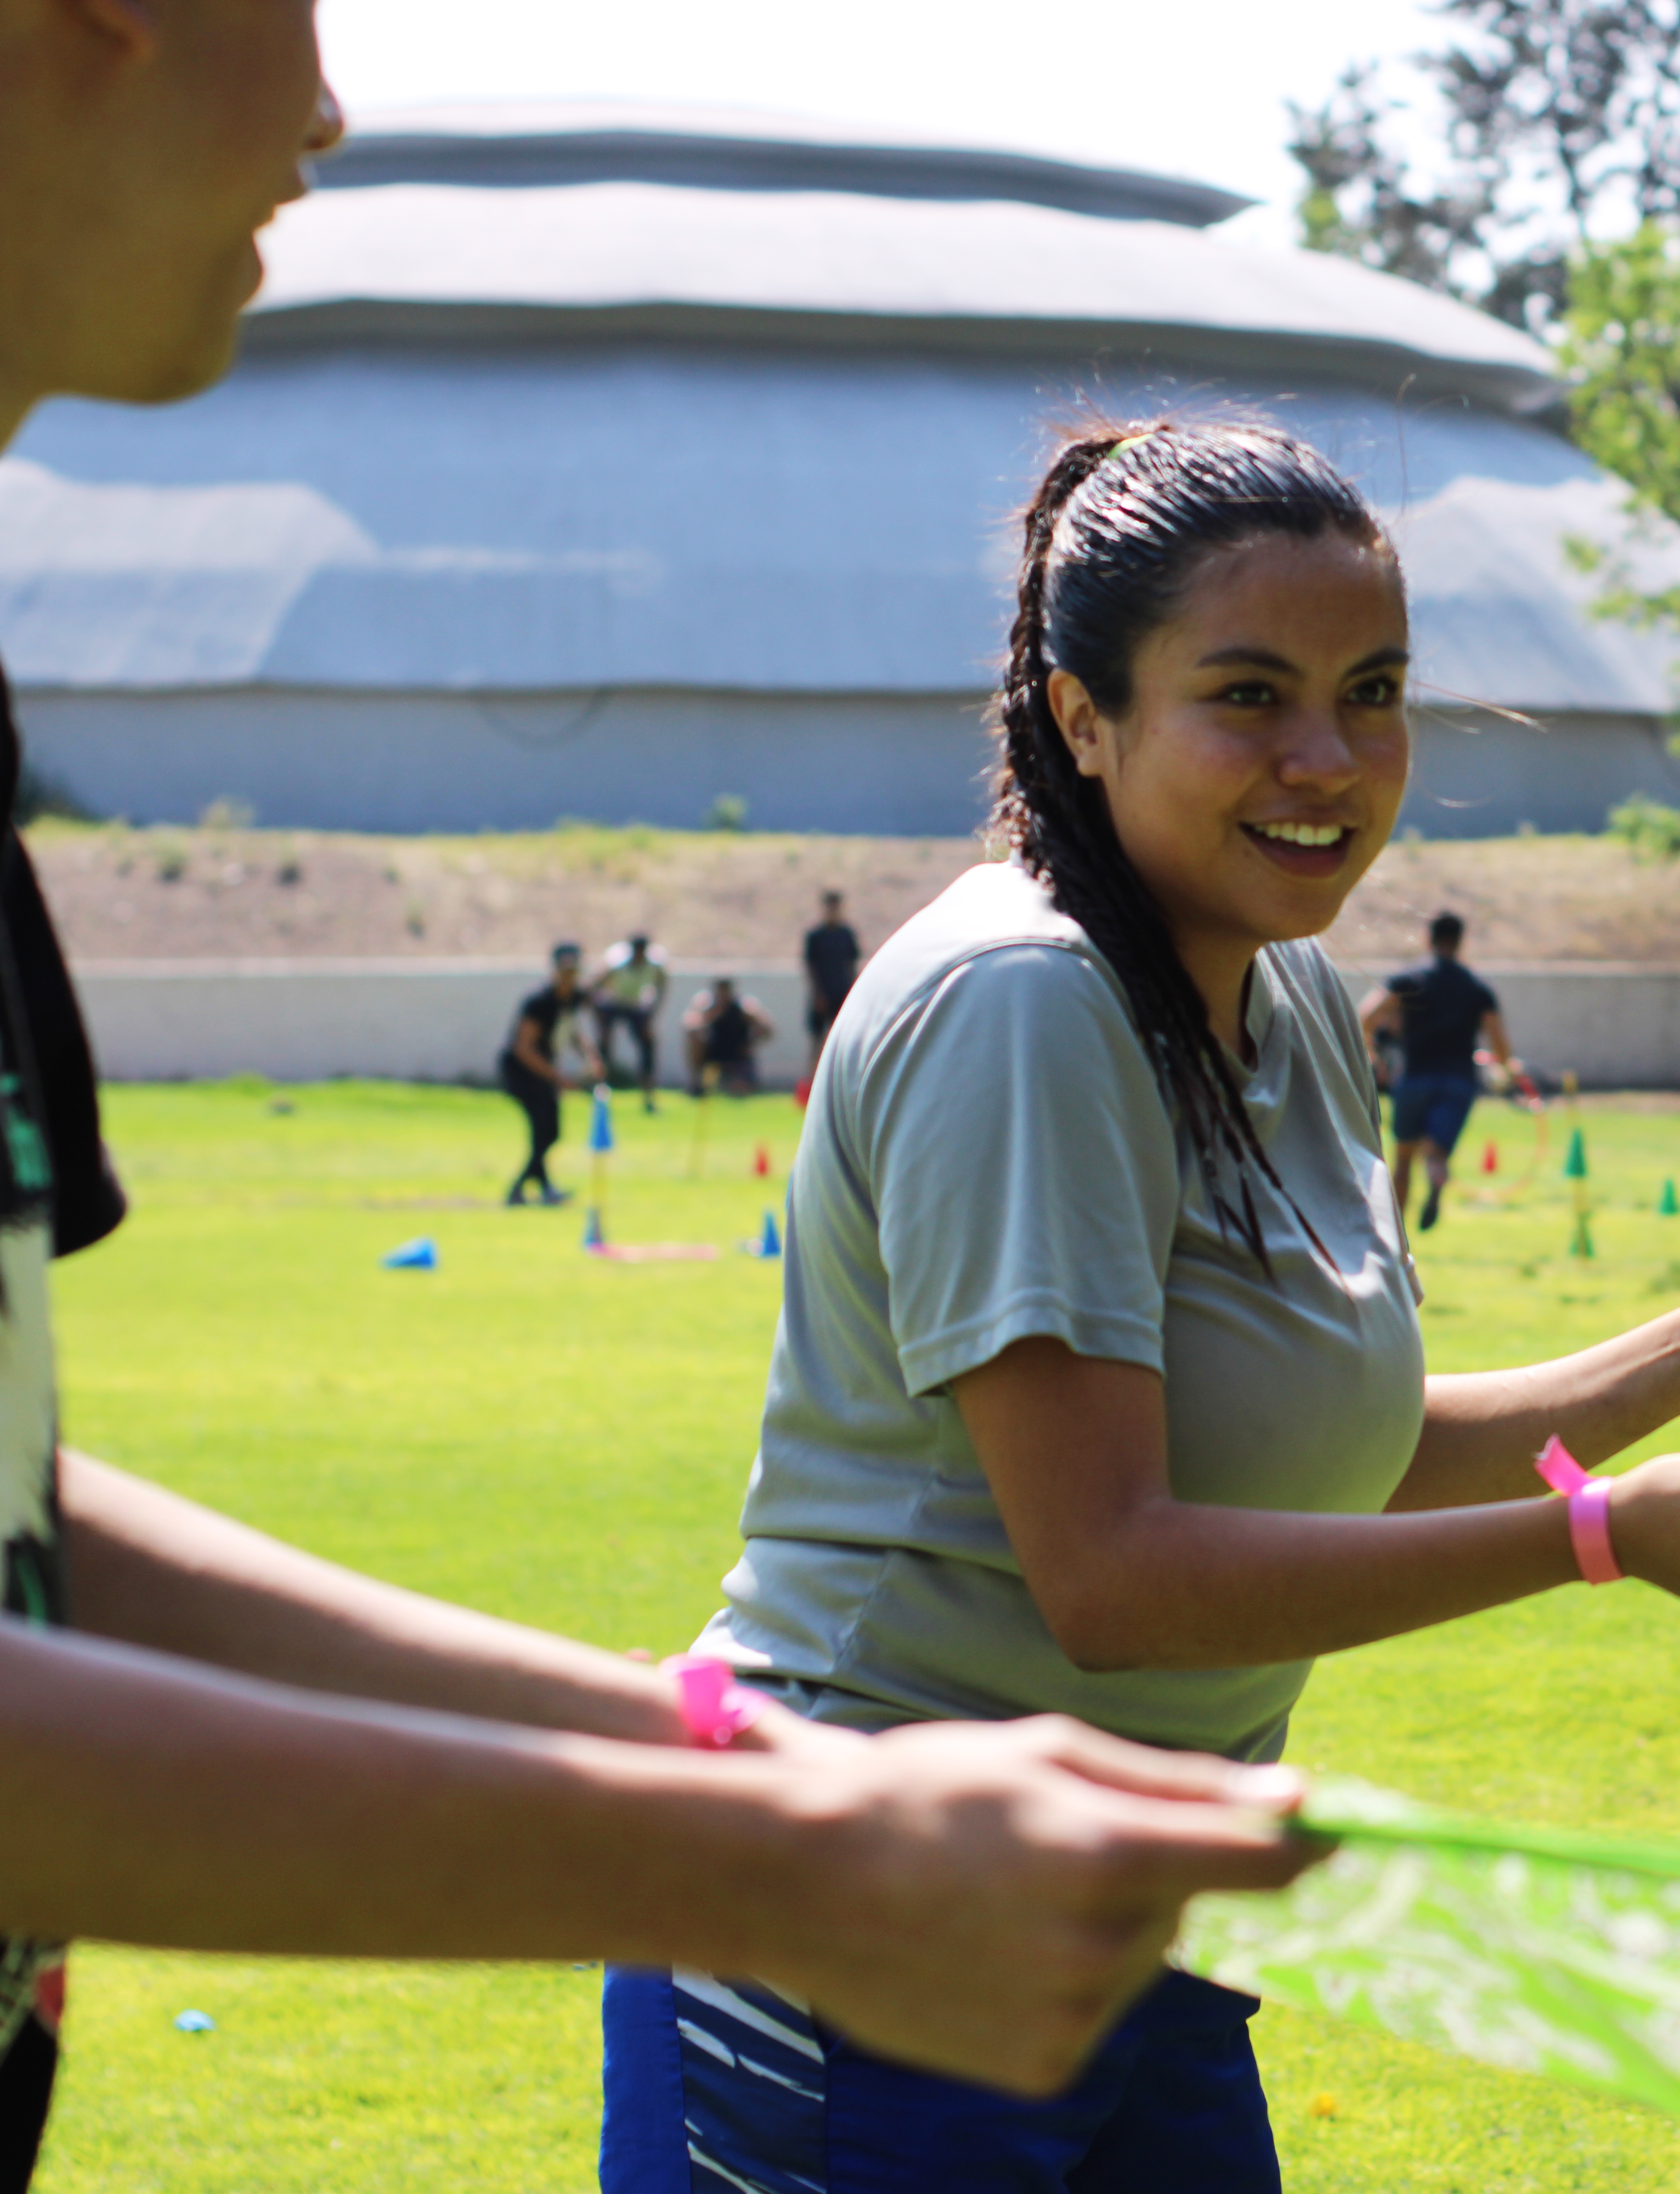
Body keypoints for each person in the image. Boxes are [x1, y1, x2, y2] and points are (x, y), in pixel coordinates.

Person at [0, 9, 1326, 2185]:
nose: (332, 106)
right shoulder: (1018, 995)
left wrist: (742, 1760)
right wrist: (767, 1849)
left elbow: (17, 1534)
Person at [604, 418, 1680, 2190]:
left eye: (1372, 690)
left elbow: (1327, 1457)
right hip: (872, 1918)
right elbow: (1117, 1576)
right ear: (1085, 718)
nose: (1330, 758)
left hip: (1136, 1907)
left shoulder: (1288, 997)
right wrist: (1597, 1541)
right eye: (1249, 694)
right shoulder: (1023, 1005)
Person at [1359, 908, 1513, 1232]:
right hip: (1458, 1081)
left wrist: (1372, 1055)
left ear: (1430, 940)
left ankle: (1396, 1234)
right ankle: (1437, 1177)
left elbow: (1367, 1017)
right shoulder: (1476, 987)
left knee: (1402, 1160)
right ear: (1460, 942)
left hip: (1414, 1078)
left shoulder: (1410, 980)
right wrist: (1505, 1069)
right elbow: (1499, 1041)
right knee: (1436, 1153)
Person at [499, 942, 587, 1206]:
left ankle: (542, 1189)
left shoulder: (573, 998)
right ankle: (519, 1189)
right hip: (522, 1072)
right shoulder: (539, 1001)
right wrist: (557, 1077)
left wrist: (590, 1057)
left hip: (543, 1072)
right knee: (546, 1130)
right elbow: (523, 1048)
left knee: (547, 1132)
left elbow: (572, 1030)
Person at [589, 931, 670, 1112]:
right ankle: (601, 1088)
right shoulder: (617, 963)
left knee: (648, 1044)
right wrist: (600, 1020)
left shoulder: (655, 964)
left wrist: (652, 1014)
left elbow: (662, 985)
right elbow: (595, 986)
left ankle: (648, 1093)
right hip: (611, 1003)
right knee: (604, 1045)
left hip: (635, 1004)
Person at [683, 975, 772, 1097]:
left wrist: (751, 1042)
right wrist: (710, 1016)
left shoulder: (744, 1006)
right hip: (714, 1051)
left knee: (739, 1092)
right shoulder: (706, 1005)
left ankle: (743, 1081)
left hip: (738, 1053)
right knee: (695, 1044)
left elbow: (768, 1030)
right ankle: (697, 1084)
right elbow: (690, 1027)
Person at [801, 890, 862, 1056]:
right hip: (823, 995)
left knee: (843, 1039)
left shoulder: (846, 934)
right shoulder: (816, 936)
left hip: (841, 992)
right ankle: (812, 1080)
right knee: (817, 1041)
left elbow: (852, 964)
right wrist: (818, 995)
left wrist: (852, 993)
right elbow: (811, 966)